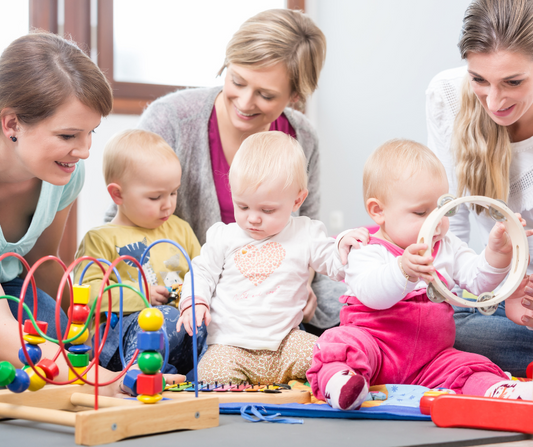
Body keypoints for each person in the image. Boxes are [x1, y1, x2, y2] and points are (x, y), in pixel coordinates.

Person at [106, 8, 345, 334]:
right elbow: (117, 222)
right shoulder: (173, 120)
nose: (245, 102)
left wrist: (306, 285)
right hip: (187, 291)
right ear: (227, 65)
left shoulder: (303, 138)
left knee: (357, 304)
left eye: (266, 95)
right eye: (237, 81)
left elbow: (308, 229)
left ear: (295, 96)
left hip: (271, 294)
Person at [307, 139, 533, 411]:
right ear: (378, 211)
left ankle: (499, 389)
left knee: (466, 365)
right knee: (339, 343)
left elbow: (479, 281)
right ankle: (341, 384)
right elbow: (372, 295)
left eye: (442, 209)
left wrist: (497, 253)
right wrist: (403, 270)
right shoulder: (366, 249)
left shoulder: (446, 246)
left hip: (432, 358)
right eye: (421, 212)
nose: (436, 222)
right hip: (376, 348)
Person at [176, 132, 367, 384]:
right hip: (230, 346)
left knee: (326, 352)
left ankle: (339, 386)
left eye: (267, 210)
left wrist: (344, 245)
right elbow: (201, 272)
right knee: (211, 375)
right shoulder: (224, 236)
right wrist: (194, 301)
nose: (252, 218)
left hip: (285, 343)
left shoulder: (305, 233)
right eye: (242, 206)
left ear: (297, 200)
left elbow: (334, 264)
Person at [0, 32, 128, 391]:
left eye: (91, 133)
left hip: (10, 289)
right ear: (12, 124)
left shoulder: (65, 175)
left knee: (57, 328)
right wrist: (105, 382)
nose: (85, 151)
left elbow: (42, 264)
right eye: (69, 136)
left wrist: (86, 327)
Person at [426, 0, 533, 377]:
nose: (494, 100)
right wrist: (504, 282)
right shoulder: (447, 95)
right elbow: (449, 233)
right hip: (494, 293)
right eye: (479, 80)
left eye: (513, 82)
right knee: (432, 323)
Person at [74, 129, 206, 377]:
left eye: (173, 192)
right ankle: (140, 375)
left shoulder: (181, 230)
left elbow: (203, 276)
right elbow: (87, 296)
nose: (168, 204)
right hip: (121, 344)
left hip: (179, 331)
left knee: (207, 322)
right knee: (161, 316)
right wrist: (139, 295)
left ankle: (189, 376)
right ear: (117, 194)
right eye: (155, 197)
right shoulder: (101, 239)